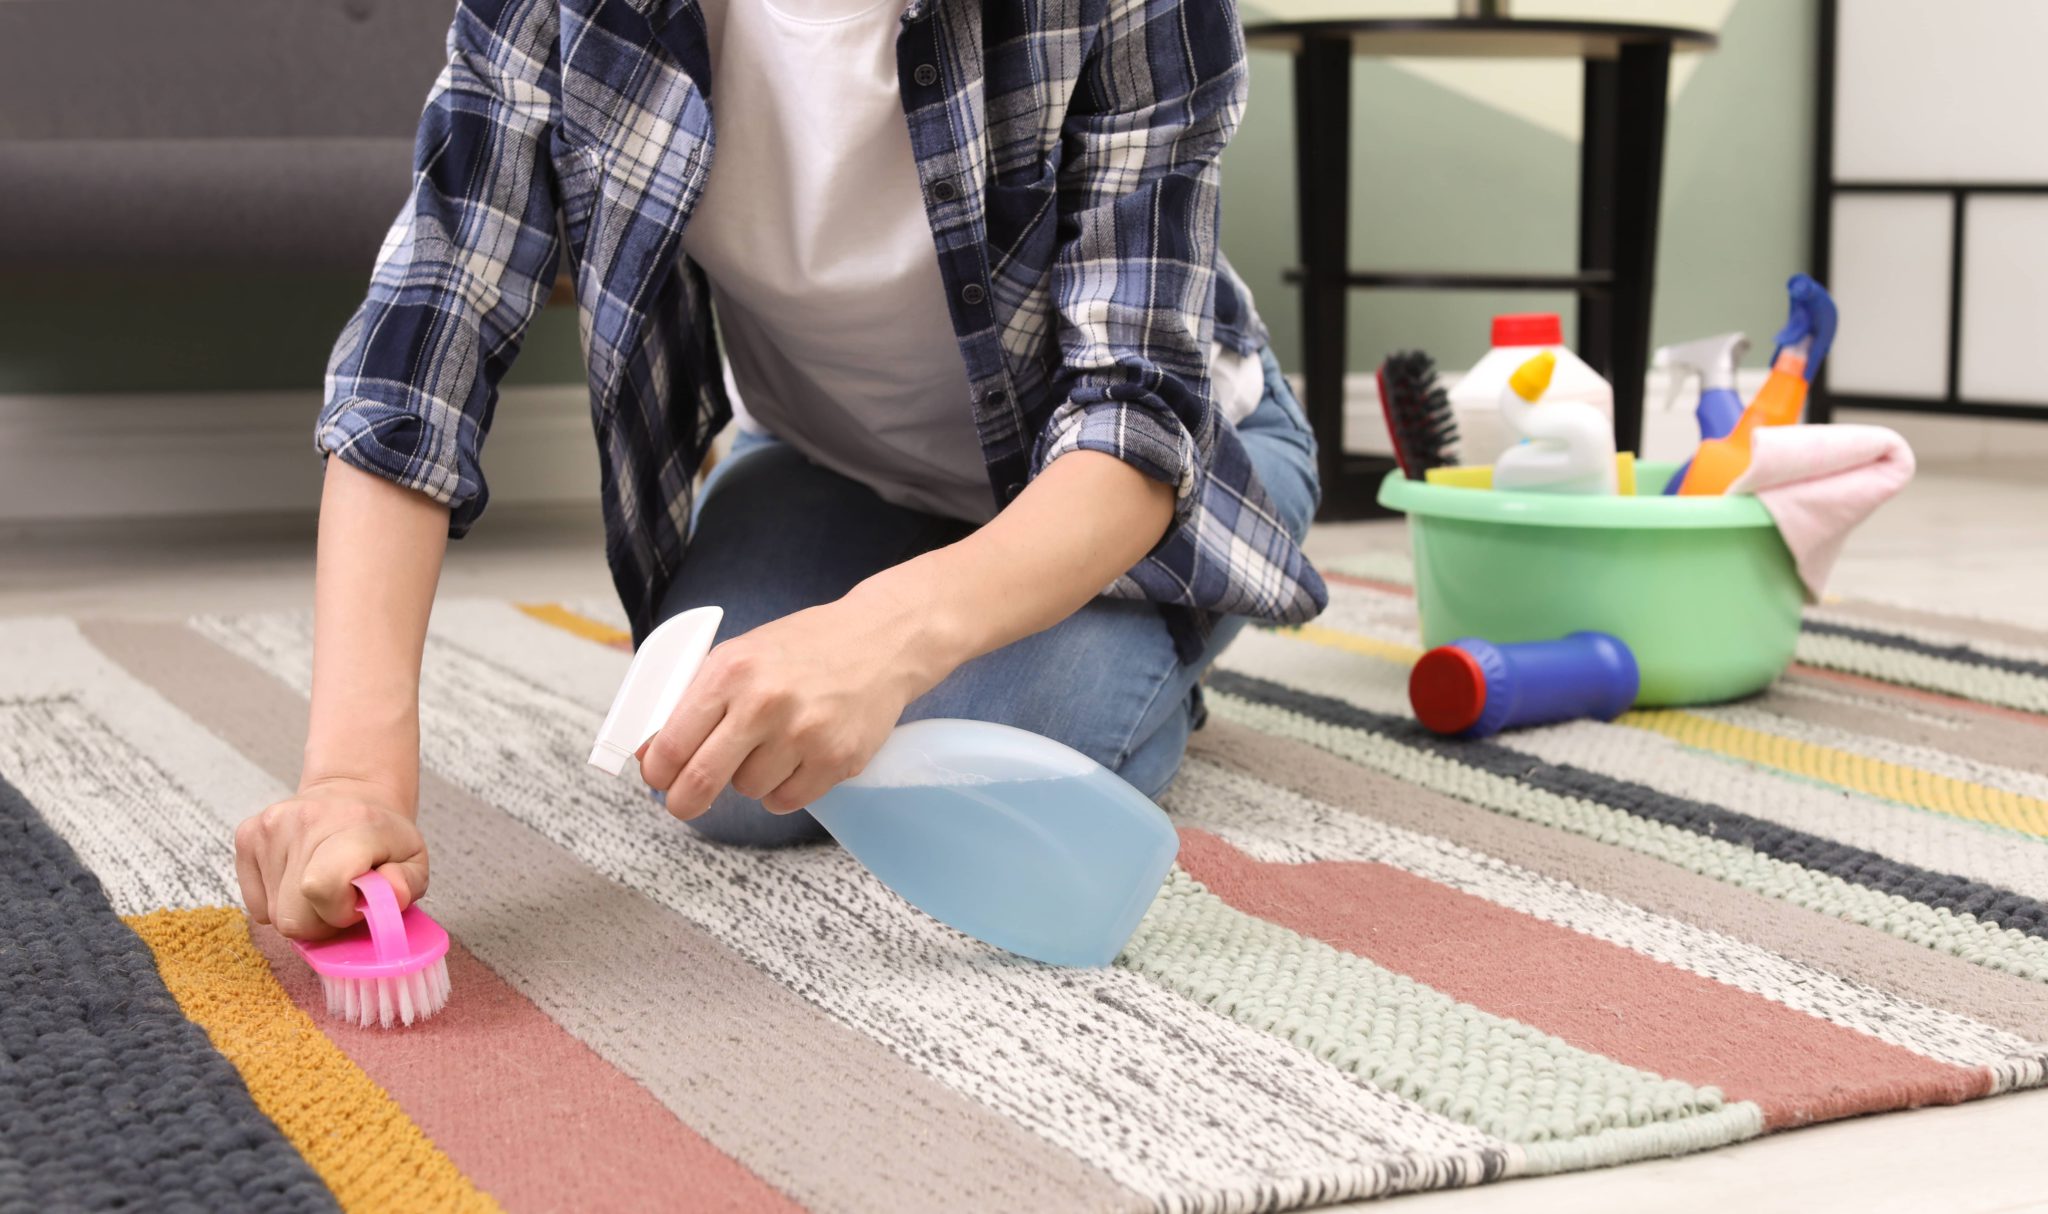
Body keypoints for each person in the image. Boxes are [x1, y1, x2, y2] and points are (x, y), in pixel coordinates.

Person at [233, 0, 1326, 940]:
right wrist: (351, 779)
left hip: (1162, 471)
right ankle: (954, 621)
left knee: (1020, 742)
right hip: (832, 454)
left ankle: (1158, 643)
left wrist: (883, 635)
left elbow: (1133, 417)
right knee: (723, 773)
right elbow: (426, 342)